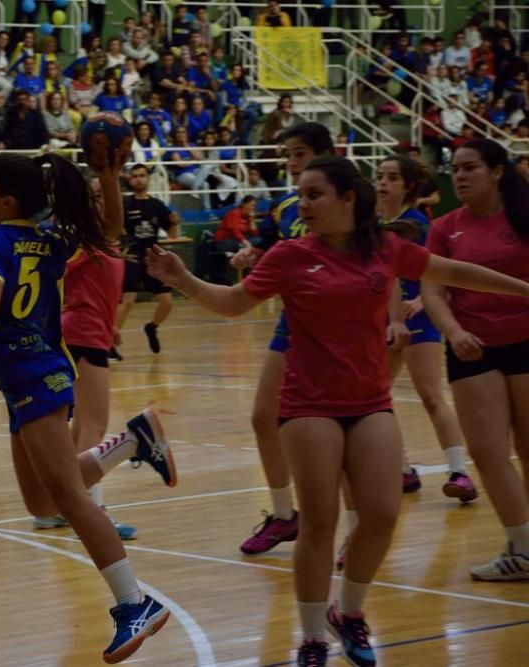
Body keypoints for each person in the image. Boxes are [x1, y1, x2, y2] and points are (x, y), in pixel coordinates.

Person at [145, 154, 529, 667]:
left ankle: (347, 611)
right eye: (300, 195)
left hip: (370, 402)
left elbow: (454, 271)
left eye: (313, 194)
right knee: (322, 521)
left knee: (381, 515)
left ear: (348, 199)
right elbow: (235, 303)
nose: (302, 205)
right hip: (308, 405)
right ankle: (309, 638)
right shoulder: (288, 255)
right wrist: (185, 281)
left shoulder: (386, 249)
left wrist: (525, 290)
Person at [0, 150, 176, 664]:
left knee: (71, 500)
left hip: (34, 378)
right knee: (42, 502)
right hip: (30, 380)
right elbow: (110, 230)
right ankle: (134, 440)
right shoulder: (48, 239)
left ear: (6, 200)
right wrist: (109, 180)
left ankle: (135, 601)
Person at [422, 139, 529, 581]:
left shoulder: (523, 219)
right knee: (488, 453)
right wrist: (453, 330)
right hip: (472, 348)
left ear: (497, 171)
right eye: (455, 170)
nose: (460, 177)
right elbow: (432, 290)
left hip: (527, 342)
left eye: (471, 168)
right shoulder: (446, 228)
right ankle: (524, 549)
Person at [229, 122, 335, 556]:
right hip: (293, 322)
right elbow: (280, 252)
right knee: (262, 416)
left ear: (327, 154)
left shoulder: (350, 203)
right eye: (288, 155)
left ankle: (354, 530)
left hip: (339, 325)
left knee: (339, 431)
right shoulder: (288, 207)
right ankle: (284, 515)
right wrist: (254, 256)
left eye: (300, 153)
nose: (291, 164)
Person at [376, 155, 478, 501]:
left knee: (431, 395)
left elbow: (440, 274)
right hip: (391, 320)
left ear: (407, 186)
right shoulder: (377, 225)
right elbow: (387, 277)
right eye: (379, 176)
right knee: (376, 397)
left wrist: (419, 302)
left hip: (419, 317)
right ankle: (402, 469)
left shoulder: (418, 225)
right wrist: (393, 319)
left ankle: (459, 472)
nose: (382, 182)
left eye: (391, 177)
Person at [47, 175, 136, 540]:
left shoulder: (105, 241)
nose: (102, 202)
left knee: (81, 426)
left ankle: (61, 504)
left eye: (106, 196)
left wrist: (110, 324)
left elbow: (101, 290)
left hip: (92, 331)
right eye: (95, 197)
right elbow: (58, 272)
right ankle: (89, 510)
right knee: (95, 426)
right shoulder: (83, 241)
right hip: (82, 333)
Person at [114, 163, 179, 358]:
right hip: (132, 256)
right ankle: (109, 343)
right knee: (128, 301)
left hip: (153, 258)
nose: (139, 179)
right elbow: (114, 231)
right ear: (129, 180)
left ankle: (152, 327)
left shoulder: (157, 205)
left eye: (142, 175)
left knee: (167, 302)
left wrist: (174, 223)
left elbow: (172, 234)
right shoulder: (125, 205)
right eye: (134, 176)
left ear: (148, 178)